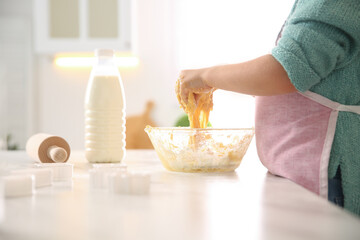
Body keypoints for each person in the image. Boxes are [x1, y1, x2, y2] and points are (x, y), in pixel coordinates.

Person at [176, 0, 360, 216]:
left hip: (327, 173)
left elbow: (285, 70)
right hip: (299, 170)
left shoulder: (332, 3)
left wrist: (207, 77)